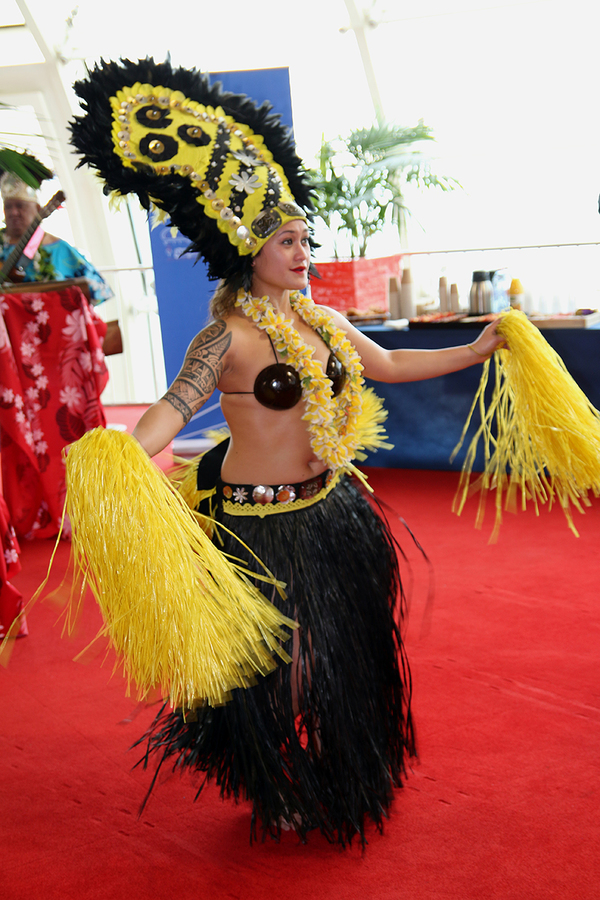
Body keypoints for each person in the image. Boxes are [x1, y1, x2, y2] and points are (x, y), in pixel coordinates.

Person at [69, 58, 505, 846]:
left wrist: (475, 350)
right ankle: (273, 781)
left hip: (331, 513)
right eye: (286, 239)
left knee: (341, 655)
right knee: (280, 669)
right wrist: (124, 453)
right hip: (258, 525)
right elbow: (175, 405)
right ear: (249, 247)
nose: (301, 250)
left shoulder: (323, 321)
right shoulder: (227, 335)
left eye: (304, 237)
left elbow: (393, 365)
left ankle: (341, 770)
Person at [0, 171, 113, 304]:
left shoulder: (60, 248)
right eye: (8, 207)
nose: (13, 212)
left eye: (20, 206)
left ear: (38, 208)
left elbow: (98, 292)